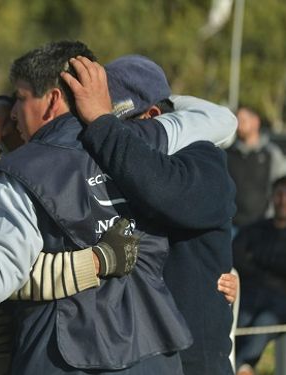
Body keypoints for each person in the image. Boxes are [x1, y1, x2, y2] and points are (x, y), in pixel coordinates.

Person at [0, 41, 201, 374]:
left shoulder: (23, 169)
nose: (12, 111)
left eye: (19, 97)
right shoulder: (140, 146)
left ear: (54, 99)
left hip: (56, 357)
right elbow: (218, 119)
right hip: (154, 351)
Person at [61, 55, 237, 374]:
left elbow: (164, 190)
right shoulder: (122, 162)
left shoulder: (204, 161)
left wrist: (102, 123)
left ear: (154, 116)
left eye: (120, 124)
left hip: (192, 363)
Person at [232, 176, 286, 375]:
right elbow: (236, 255)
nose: (283, 200)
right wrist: (274, 262)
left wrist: (257, 257)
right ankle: (239, 367)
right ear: (272, 198)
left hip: (283, 303)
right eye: (279, 194)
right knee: (238, 321)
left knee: (264, 321)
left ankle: (241, 367)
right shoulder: (255, 229)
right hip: (249, 298)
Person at [225, 104, 284, 229]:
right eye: (237, 120)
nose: (239, 124)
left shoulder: (271, 153)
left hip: (261, 225)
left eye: (243, 120)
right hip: (232, 225)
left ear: (256, 121)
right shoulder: (227, 153)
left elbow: (278, 187)